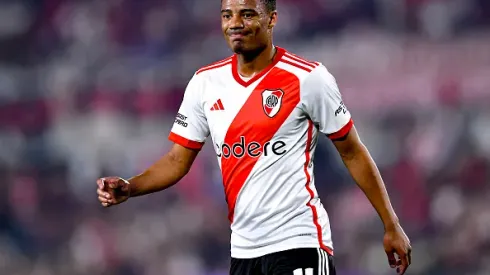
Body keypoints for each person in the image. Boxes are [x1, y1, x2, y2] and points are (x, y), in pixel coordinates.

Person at [96, 0, 412, 274]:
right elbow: (178, 160)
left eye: (247, 14)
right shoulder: (205, 84)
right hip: (244, 251)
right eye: (226, 15)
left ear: (271, 19)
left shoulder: (308, 78)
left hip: (299, 241)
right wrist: (131, 187)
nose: (235, 23)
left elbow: (352, 152)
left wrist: (391, 224)